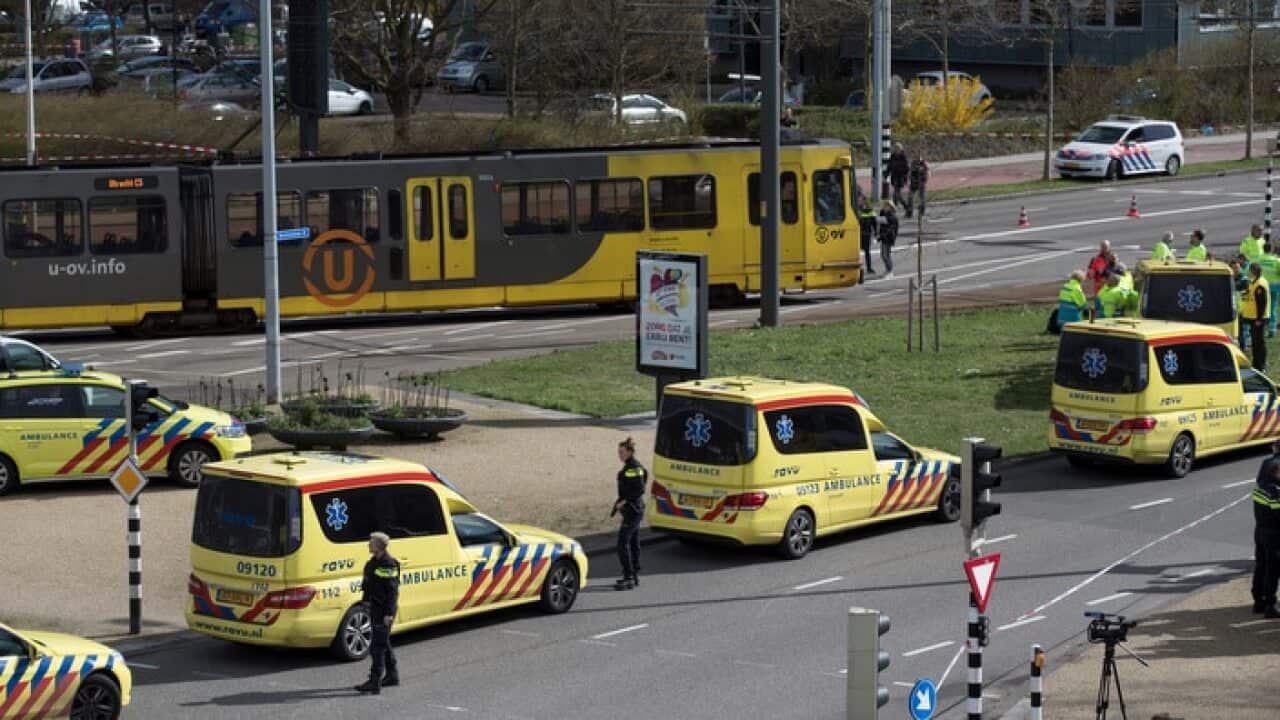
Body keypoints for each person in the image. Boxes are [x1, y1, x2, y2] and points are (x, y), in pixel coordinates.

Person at [355, 532, 400, 695]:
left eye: (371, 542)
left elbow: (392, 591)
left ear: (379, 546)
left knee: (377, 647)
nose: (368, 544)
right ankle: (392, 675)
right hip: (375, 608)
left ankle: (374, 682)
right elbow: (370, 586)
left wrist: (388, 613)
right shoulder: (374, 562)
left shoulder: (387, 564)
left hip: (384, 611)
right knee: (383, 642)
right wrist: (365, 603)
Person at [613, 437, 647, 591]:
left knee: (622, 543)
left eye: (621, 452)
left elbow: (640, 489)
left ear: (629, 452)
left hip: (634, 510)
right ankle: (633, 575)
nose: (619, 455)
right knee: (633, 542)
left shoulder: (634, 467)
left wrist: (625, 501)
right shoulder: (630, 466)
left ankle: (629, 576)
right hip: (633, 510)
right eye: (618, 452)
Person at [1252, 450, 1280, 618]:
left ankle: (1258, 600)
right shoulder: (1275, 492)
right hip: (1274, 536)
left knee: (1260, 567)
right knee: (1273, 571)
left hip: (1260, 532)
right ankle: (1270, 604)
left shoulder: (1260, 489)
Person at [1243, 263, 1271, 370]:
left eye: (1250, 270)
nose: (1248, 272)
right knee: (1255, 342)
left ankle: (1261, 364)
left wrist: (1259, 319)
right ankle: (1256, 363)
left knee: (1259, 342)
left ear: (1253, 271)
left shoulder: (1260, 284)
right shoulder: (1254, 282)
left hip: (1259, 318)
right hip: (1253, 317)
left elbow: (1262, 303)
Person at [855, 190, 877, 280]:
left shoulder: (870, 210)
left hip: (866, 234)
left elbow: (874, 222)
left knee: (867, 252)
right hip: (858, 234)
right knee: (857, 252)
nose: (860, 201)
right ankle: (858, 268)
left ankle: (869, 268)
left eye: (862, 200)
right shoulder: (857, 209)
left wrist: (876, 233)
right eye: (860, 199)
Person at [1261, 242, 1280, 337]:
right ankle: (1272, 329)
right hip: (1274, 287)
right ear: (1271, 250)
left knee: (1262, 307)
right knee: (1273, 307)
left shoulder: (1258, 259)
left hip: (1261, 286)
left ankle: (1262, 327)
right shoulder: (1276, 261)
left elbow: (1247, 270)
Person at [878, 201, 898, 279]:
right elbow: (880, 224)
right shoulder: (884, 214)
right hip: (884, 237)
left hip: (888, 238)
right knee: (884, 255)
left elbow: (891, 229)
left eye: (886, 206)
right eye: (884, 206)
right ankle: (888, 270)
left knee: (885, 255)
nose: (884, 207)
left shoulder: (892, 217)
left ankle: (890, 271)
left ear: (890, 207)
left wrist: (883, 235)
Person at [906, 153, 930, 219]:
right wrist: (910, 179)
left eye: (919, 156)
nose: (917, 158)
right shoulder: (912, 163)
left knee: (922, 198)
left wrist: (924, 181)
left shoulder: (924, 163)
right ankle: (909, 212)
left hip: (921, 183)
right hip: (913, 183)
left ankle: (922, 211)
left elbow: (928, 173)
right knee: (910, 197)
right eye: (916, 156)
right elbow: (909, 173)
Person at [888, 143, 909, 211]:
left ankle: (905, 206)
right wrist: (886, 173)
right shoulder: (892, 156)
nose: (896, 150)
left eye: (897, 148)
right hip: (894, 177)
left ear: (900, 149)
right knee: (896, 193)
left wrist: (899, 169)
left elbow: (907, 168)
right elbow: (889, 166)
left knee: (897, 193)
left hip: (901, 178)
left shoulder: (903, 157)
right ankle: (897, 206)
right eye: (895, 148)